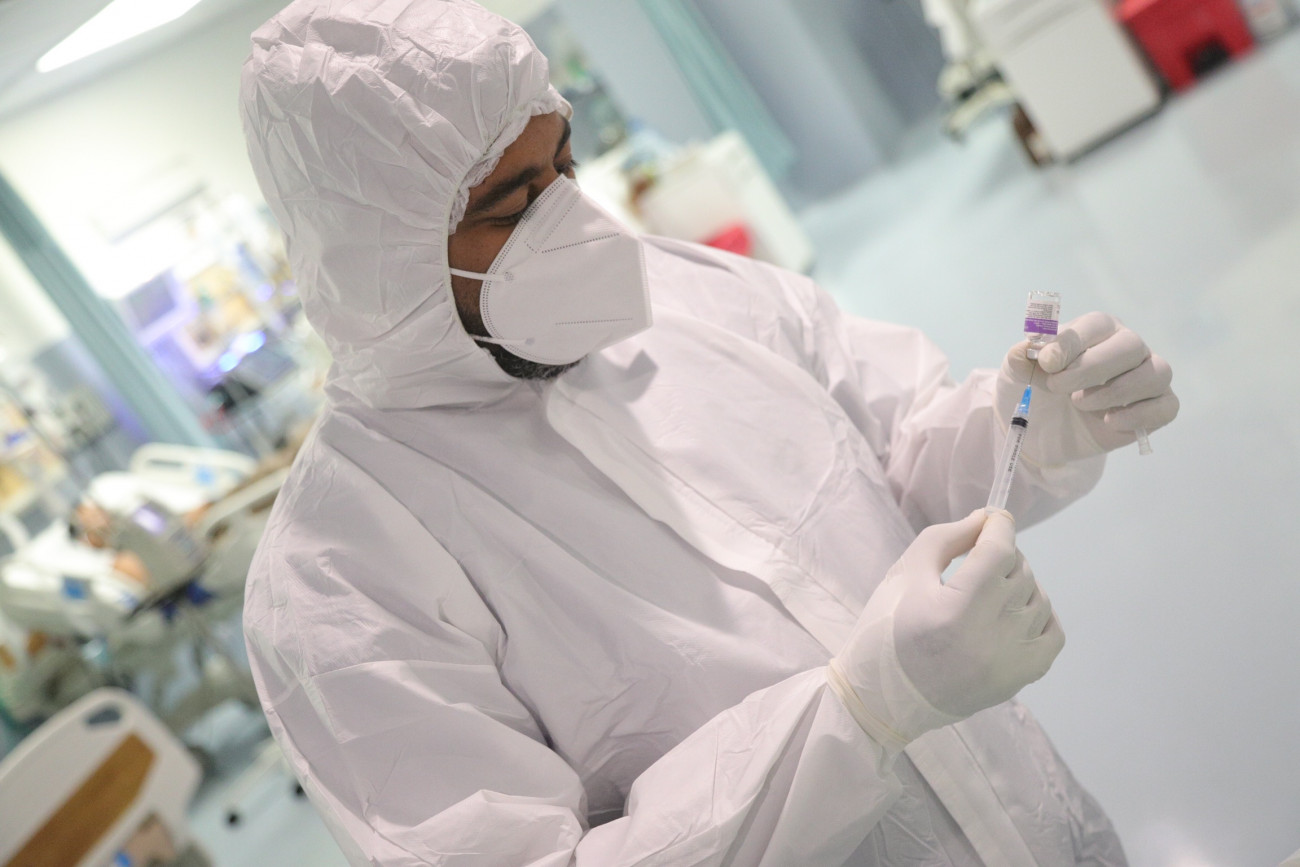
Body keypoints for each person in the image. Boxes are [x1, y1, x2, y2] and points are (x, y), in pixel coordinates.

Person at [238, 1, 1178, 864]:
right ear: (382, 259)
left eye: (566, 165)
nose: (577, 223)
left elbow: (894, 470)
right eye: (516, 206)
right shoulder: (340, 576)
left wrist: (1026, 429)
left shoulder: (686, 291)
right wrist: (861, 712)